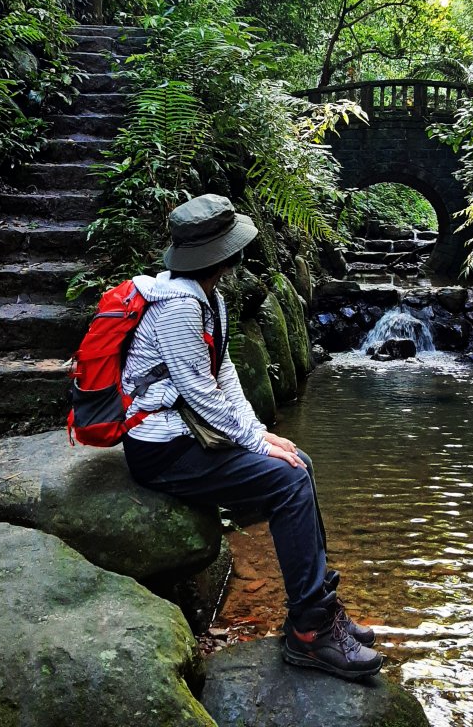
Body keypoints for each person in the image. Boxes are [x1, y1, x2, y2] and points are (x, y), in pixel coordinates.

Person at [121, 193, 383, 681]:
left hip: (188, 436)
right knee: (288, 481)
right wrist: (257, 443)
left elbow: (224, 376)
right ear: (225, 253)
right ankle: (310, 631)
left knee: (297, 462)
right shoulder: (178, 307)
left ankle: (320, 607)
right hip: (162, 449)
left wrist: (260, 433)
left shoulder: (208, 297)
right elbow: (200, 393)